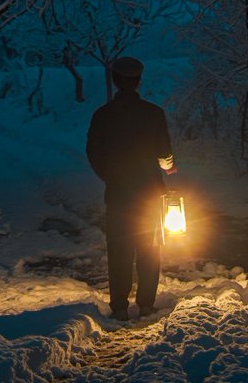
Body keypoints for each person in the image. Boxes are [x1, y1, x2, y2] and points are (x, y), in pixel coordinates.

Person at [85, 56, 177, 321]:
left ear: (115, 81)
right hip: (150, 192)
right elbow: (164, 152)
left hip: (118, 193)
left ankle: (120, 306)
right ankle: (146, 304)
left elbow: (93, 152)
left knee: (119, 249)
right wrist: (168, 166)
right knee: (150, 247)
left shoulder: (103, 115)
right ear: (138, 81)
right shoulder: (153, 113)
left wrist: (109, 176)